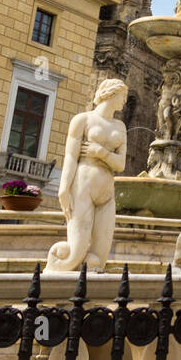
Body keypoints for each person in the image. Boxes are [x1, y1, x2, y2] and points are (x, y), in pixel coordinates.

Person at [45, 79, 128, 273]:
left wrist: (100, 151)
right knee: (75, 251)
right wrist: (64, 188)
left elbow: (121, 165)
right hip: (83, 184)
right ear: (111, 94)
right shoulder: (82, 120)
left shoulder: (120, 127)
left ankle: (88, 295)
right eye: (122, 96)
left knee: (98, 258)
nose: (124, 101)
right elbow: (71, 157)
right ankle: (53, 274)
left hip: (107, 189)